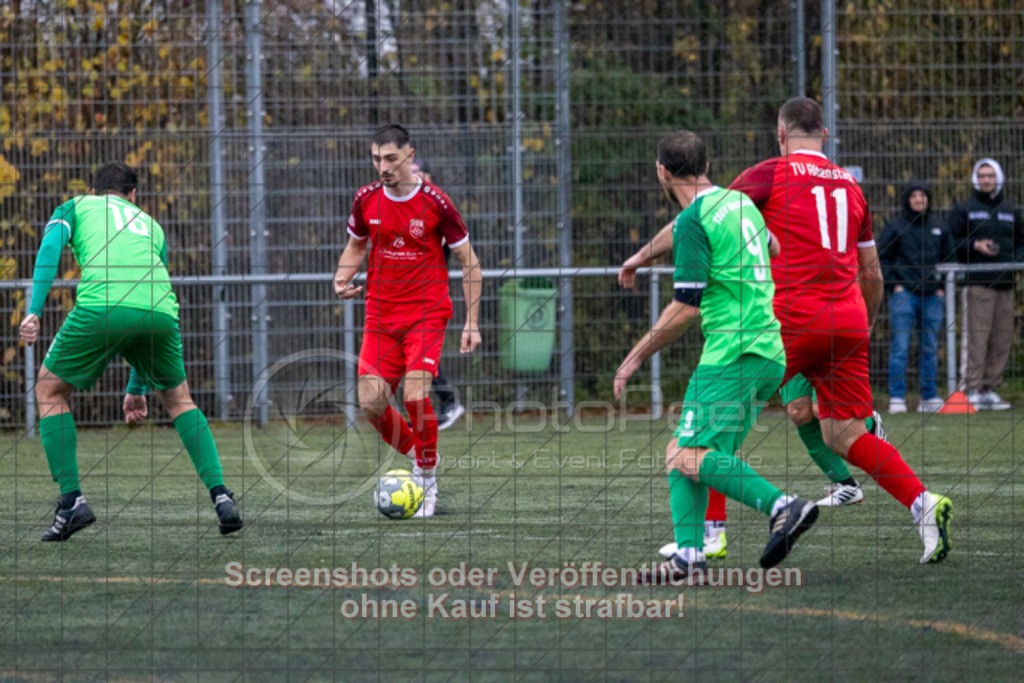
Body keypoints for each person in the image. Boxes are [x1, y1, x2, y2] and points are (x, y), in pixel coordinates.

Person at [730, 97, 952, 564]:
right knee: (843, 434)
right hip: (846, 321)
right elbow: (872, 273)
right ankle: (923, 503)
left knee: (713, 416)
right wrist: (864, 322)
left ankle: (704, 542)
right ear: (825, 135)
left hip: (791, 319)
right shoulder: (851, 187)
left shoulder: (770, 172)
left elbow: (717, 218)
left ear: (781, 134)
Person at [614, 130, 819, 585]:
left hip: (731, 353)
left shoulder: (693, 223)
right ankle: (689, 557)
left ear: (662, 172)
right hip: (768, 350)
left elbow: (686, 306)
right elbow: (774, 248)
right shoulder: (738, 202)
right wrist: (643, 256)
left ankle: (784, 507)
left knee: (687, 455)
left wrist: (632, 359)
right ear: (704, 164)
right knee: (684, 453)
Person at [18, 161, 243, 541]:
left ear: (96, 191)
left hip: (102, 306)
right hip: (159, 312)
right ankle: (221, 496)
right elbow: (146, 296)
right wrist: (137, 388)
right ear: (133, 195)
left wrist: (34, 311)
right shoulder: (151, 225)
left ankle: (72, 501)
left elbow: (48, 251)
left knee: (49, 390)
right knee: (179, 401)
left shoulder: (74, 208)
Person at [334, 125, 481, 518]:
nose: (383, 167)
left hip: (426, 314)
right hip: (380, 316)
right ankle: (422, 455)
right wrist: (341, 277)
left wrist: (472, 321)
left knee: (416, 397)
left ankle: (426, 480)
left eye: (391, 159)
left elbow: (470, 262)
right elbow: (356, 245)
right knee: (371, 402)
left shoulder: (437, 203)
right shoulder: (365, 199)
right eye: (377, 159)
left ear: (410, 156)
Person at [947, 159, 1024, 411]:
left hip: (1005, 283)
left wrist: (1013, 260)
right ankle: (972, 388)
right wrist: (974, 246)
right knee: (977, 338)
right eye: (982, 175)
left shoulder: (1011, 210)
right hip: (977, 283)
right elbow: (951, 243)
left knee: (1001, 339)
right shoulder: (965, 208)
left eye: (990, 175)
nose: (986, 179)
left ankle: (990, 389)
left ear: (998, 178)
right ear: (975, 178)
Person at [878, 180, 956, 413]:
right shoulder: (895, 226)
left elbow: (949, 257)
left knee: (929, 347)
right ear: (907, 200)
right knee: (900, 347)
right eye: (914, 197)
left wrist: (941, 285)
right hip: (904, 295)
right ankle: (897, 398)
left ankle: (929, 397)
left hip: (933, 296)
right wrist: (895, 284)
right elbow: (882, 258)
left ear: (928, 199)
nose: (918, 200)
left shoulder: (939, 227)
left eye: (922, 197)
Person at [410, 157, 466, 430]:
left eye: (418, 172)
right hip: (405, 296)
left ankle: (447, 402)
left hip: (428, 296)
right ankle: (437, 406)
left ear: (429, 177)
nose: (413, 177)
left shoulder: (438, 207)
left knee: (420, 355)